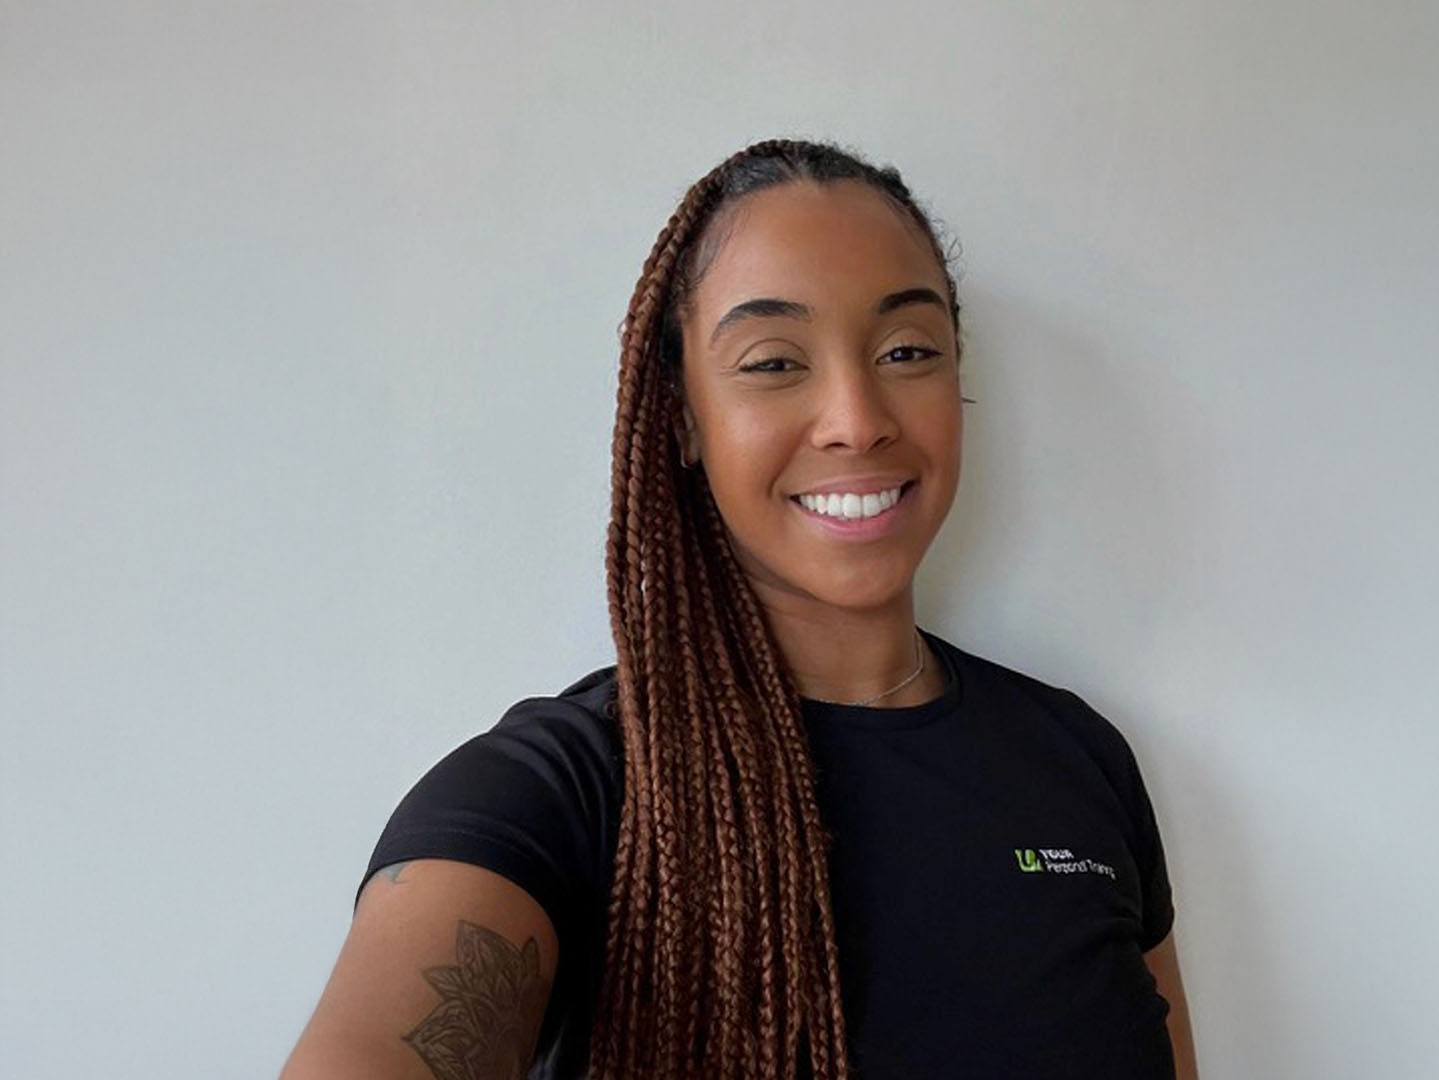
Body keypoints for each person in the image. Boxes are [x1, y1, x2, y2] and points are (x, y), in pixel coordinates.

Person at [280, 138, 1197, 1080]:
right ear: (682, 416)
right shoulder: (563, 789)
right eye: (772, 362)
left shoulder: (1081, 759)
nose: (856, 416)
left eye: (907, 350)